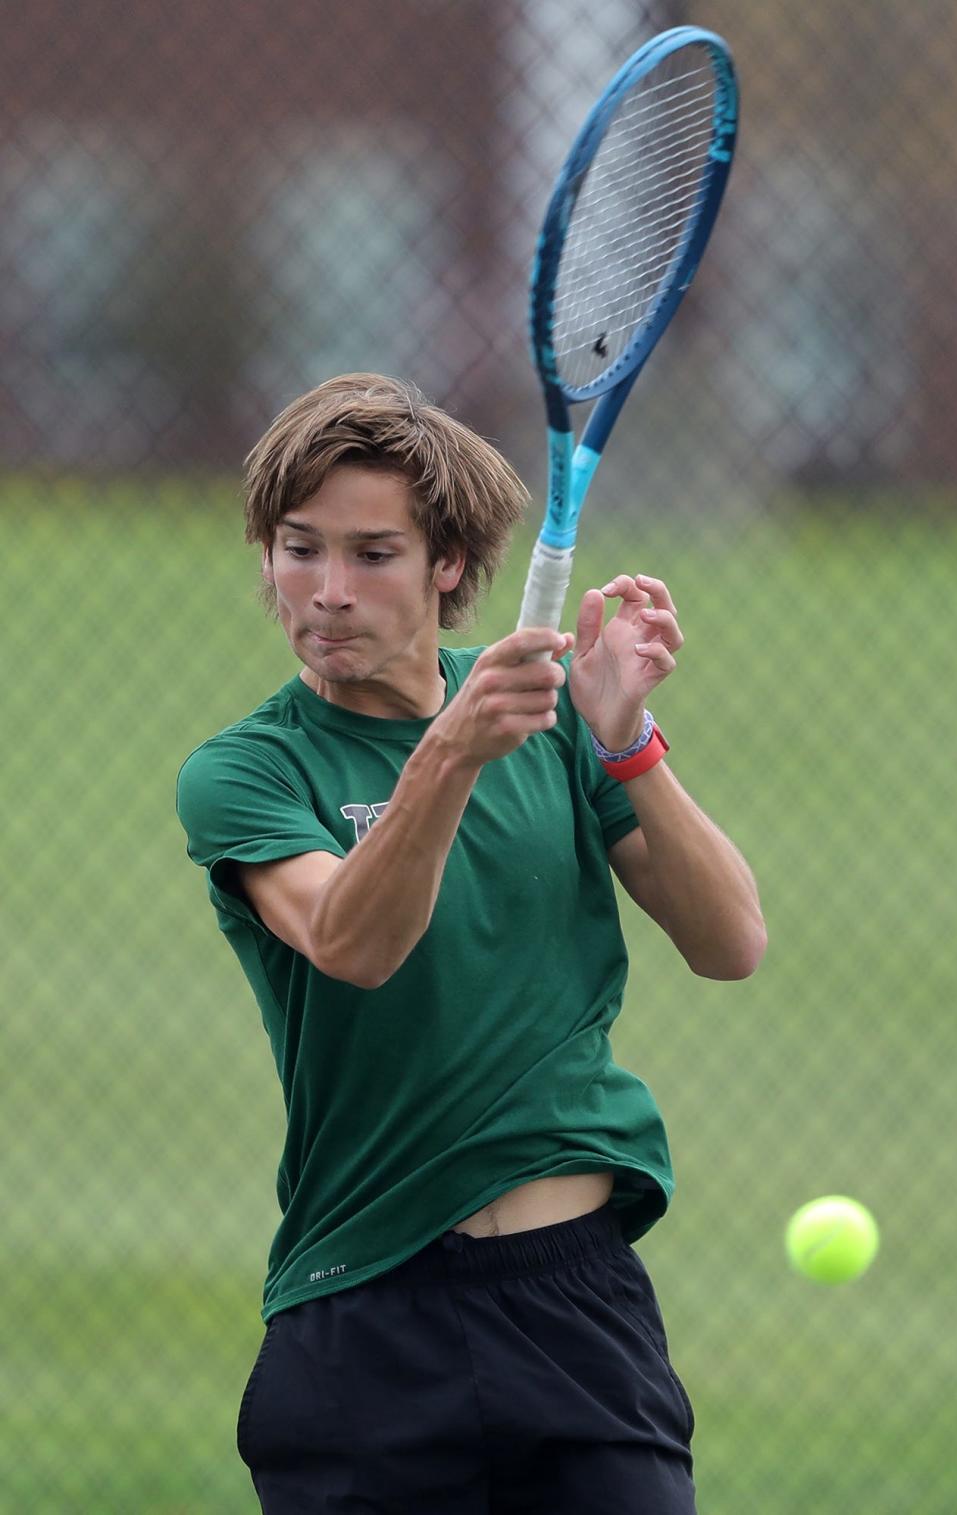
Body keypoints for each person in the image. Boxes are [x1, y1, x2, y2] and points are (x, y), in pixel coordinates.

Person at [176, 372, 766, 1514]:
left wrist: (627, 739)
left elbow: (730, 940)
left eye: (373, 554)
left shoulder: (548, 732)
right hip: (365, 1313)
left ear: (448, 566)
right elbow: (354, 942)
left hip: (576, 1308)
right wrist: (448, 754)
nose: (327, 592)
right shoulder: (247, 771)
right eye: (299, 550)